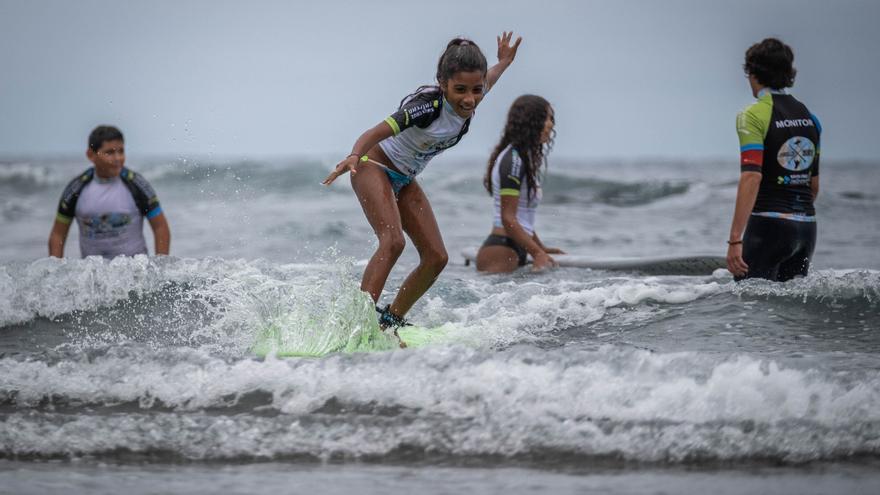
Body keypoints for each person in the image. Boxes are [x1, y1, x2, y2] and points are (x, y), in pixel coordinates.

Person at [322, 32, 522, 341]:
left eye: (477, 90)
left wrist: (505, 62)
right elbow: (375, 132)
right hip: (372, 165)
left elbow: (489, 77)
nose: (469, 98)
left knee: (436, 257)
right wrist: (352, 155)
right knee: (393, 242)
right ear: (443, 84)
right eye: (460, 90)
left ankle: (390, 322)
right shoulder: (426, 106)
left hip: (404, 177)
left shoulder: (473, 94)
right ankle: (355, 326)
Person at [726, 38, 821, 282]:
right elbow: (813, 186)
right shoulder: (810, 118)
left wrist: (735, 239)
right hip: (806, 229)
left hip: (768, 225)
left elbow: (751, 176)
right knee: (790, 311)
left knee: (749, 306)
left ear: (753, 73)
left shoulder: (752, 116)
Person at [48, 125, 171, 259]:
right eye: (110, 152)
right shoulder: (76, 189)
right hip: (93, 275)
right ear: (91, 155)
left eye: (121, 151)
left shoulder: (137, 184)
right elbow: (57, 234)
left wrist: (160, 266)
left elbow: (161, 228)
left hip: (135, 273)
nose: (118, 158)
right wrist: (55, 270)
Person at [475, 95, 563, 272]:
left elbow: (523, 219)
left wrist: (540, 248)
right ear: (532, 121)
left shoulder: (523, 158)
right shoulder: (513, 160)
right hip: (501, 249)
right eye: (548, 118)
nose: (551, 124)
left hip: (515, 247)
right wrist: (537, 253)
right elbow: (508, 218)